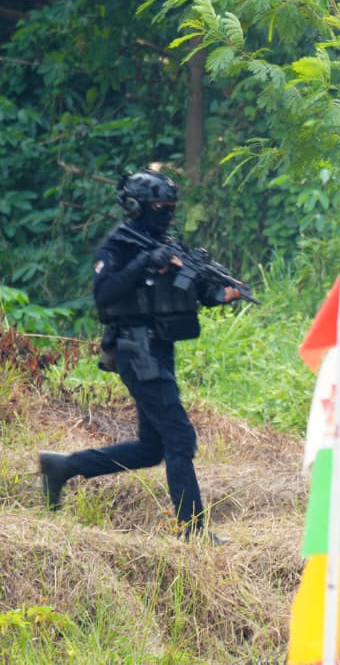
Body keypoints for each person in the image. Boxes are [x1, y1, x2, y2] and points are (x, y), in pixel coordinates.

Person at [38, 169, 243, 543]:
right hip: (134, 349)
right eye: (160, 207)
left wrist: (220, 294)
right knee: (180, 437)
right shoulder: (119, 246)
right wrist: (145, 261)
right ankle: (192, 530)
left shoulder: (163, 242)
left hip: (158, 350)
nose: (167, 214)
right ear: (136, 207)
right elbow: (105, 294)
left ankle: (63, 466)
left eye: (170, 207)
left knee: (151, 448)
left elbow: (184, 289)